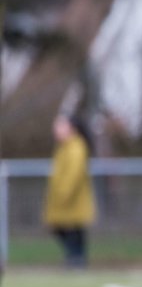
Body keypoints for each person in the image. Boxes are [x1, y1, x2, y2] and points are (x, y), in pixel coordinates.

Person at [43, 114, 96, 268]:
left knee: (73, 231)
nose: (56, 129)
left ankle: (77, 261)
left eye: (60, 126)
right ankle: (75, 260)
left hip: (71, 200)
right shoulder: (62, 147)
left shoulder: (76, 147)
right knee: (64, 230)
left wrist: (63, 194)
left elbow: (73, 174)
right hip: (60, 201)